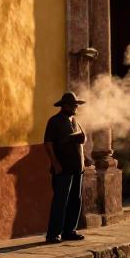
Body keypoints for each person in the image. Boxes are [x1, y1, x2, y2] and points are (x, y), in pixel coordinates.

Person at [44, 91, 87, 243]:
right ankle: (54, 233)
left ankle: (69, 230)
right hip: (62, 168)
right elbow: (48, 143)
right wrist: (55, 163)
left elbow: (80, 139)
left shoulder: (75, 121)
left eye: (76, 105)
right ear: (64, 106)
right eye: (73, 105)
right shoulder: (54, 121)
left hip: (77, 168)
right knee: (60, 201)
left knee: (75, 200)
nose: (75, 107)